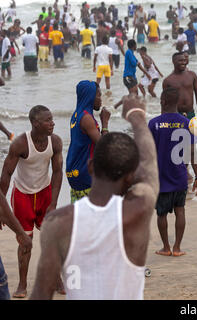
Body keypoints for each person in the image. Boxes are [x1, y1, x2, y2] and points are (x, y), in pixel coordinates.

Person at [30, 94, 159, 300]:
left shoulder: (57, 223)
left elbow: (41, 294)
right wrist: (137, 117)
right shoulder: (137, 212)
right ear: (130, 177)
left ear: (91, 167)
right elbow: (150, 166)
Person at [0, 105, 63, 298]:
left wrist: (53, 202)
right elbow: (6, 175)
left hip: (44, 193)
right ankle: (22, 284)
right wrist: (1, 210)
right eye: (47, 120)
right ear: (35, 123)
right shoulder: (20, 143)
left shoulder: (56, 141)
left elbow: (58, 172)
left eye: (52, 119)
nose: (52, 123)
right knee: (26, 242)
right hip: (23, 195)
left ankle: (57, 279)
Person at [149, 87, 197, 257]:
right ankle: (177, 247)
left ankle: (166, 247)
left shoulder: (154, 123)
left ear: (162, 101)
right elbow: (192, 151)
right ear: (178, 102)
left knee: (161, 213)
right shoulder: (186, 123)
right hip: (180, 175)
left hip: (160, 176)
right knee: (180, 210)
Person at [66, 81, 110, 203]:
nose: (100, 99)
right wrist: (105, 123)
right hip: (85, 173)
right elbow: (104, 146)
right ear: (90, 96)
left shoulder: (77, 114)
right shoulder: (87, 119)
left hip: (74, 171)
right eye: (98, 95)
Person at [0, 192, 33, 300]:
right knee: (1, 283)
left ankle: (57, 280)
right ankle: (22, 284)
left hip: (43, 190)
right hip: (22, 190)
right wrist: (21, 233)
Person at [162, 52, 197, 120]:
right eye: (180, 61)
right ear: (173, 62)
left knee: (192, 131)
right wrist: (163, 119)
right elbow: (164, 102)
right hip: (175, 115)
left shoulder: (192, 75)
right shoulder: (168, 81)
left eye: (184, 60)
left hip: (190, 114)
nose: (183, 62)